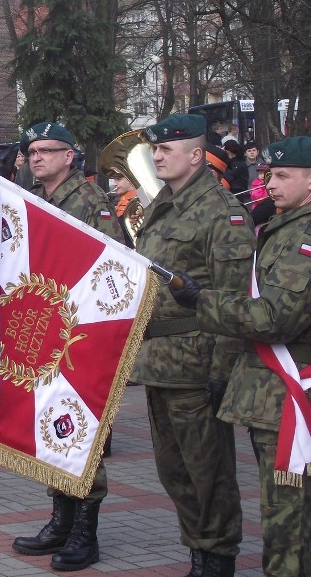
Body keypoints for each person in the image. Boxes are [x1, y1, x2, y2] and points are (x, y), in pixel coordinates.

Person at [169, 136, 311, 577]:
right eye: (268, 174)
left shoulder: (304, 237)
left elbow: (275, 317)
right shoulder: (283, 226)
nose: (270, 183)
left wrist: (201, 300)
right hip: (271, 397)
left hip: (290, 399)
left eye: (284, 175)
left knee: (289, 529)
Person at [129, 114, 253, 577]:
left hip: (198, 365)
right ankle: (198, 551)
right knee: (174, 470)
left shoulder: (222, 212)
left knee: (209, 472)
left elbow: (232, 297)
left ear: (197, 155)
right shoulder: (164, 206)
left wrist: (222, 373)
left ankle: (218, 558)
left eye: (167, 149)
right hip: (159, 363)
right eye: (155, 150)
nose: (157, 156)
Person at [11, 123, 123, 571]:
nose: (36, 158)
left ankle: (85, 532)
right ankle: (60, 518)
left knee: (79, 429)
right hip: (46, 331)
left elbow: (110, 266)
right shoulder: (39, 198)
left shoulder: (91, 202)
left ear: (69, 156)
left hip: (81, 335)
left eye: (46, 151)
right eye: (31, 151)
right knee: (51, 427)